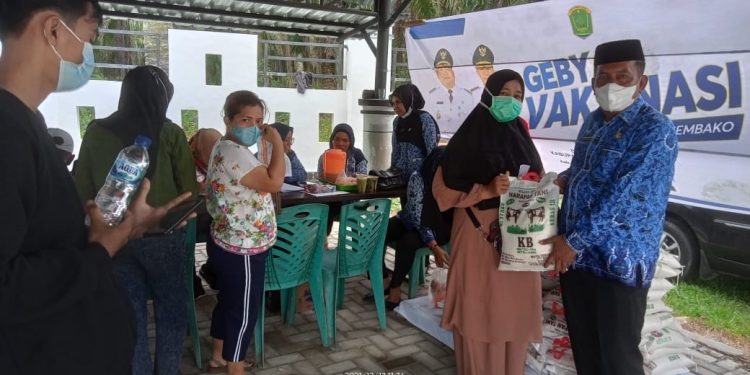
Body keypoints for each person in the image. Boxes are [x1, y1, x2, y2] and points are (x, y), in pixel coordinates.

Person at [0, 1, 191, 374]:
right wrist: (103, 246)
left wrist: (110, 234)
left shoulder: (33, 124)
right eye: (89, 38)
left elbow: (77, 197)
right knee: (171, 312)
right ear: (53, 29)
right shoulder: (7, 133)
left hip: (84, 320)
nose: (87, 55)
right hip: (44, 353)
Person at [542, 39, 678, 375]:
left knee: (617, 359)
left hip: (618, 262)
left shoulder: (654, 129)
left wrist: (572, 241)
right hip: (578, 261)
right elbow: (588, 169)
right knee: (586, 349)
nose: (611, 85)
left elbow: (625, 194)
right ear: (592, 82)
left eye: (623, 77)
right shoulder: (592, 122)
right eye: (603, 77)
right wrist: (563, 180)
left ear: (641, 82)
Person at [74, 65, 199, 375]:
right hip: (163, 237)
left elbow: (81, 190)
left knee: (132, 318)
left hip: (112, 239)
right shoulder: (170, 132)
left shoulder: (95, 131)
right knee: (171, 313)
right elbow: (189, 191)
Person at [433, 69, 544, 374]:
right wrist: (486, 190)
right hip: (477, 234)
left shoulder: (522, 137)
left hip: (520, 237)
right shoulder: (467, 139)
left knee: (514, 312)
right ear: (489, 95)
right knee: (479, 310)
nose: (511, 101)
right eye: (505, 94)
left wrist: (537, 188)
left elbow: (535, 176)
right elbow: (441, 193)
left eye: (518, 96)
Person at [206, 90, 284, 374]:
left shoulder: (223, 147)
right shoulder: (234, 154)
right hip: (243, 247)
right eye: (245, 119)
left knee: (228, 302)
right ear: (228, 120)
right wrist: (277, 144)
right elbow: (274, 182)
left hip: (227, 239)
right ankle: (235, 368)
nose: (253, 127)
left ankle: (219, 355)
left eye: (259, 121)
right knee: (244, 311)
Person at [382, 146, 451, 310]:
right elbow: (417, 216)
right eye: (439, 166)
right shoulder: (418, 178)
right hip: (412, 220)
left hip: (439, 227)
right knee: (379, 232)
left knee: (408, 241)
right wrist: (433, 245)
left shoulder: (452, 181)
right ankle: (383, 279)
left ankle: (395, 289)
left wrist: (433, 243)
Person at [188, 128, 222, 294]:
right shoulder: (188, 163)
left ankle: (212, 271)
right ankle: (193, 282)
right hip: (193, 218)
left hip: (211, 219)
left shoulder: (221, 161)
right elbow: (197, 187)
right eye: (211, 147)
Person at [389, 83, 439, 184]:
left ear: (407, 101)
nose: (395, 107)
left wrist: (430, 175)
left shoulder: (424, 119)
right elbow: (395, 150)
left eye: (398, 102)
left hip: (419, 177)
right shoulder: (397, 121)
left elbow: (432, 151)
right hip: (401, 177)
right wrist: (392, 172)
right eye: (393, 103)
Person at [427, 48, 473, 136]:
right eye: (440, 70)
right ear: (437, 74)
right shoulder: (432, 96)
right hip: (440, 142)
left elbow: (471, 123)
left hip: (461, 141)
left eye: (447, 68)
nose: (444, 73)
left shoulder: (467, 95)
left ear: (453, 71)